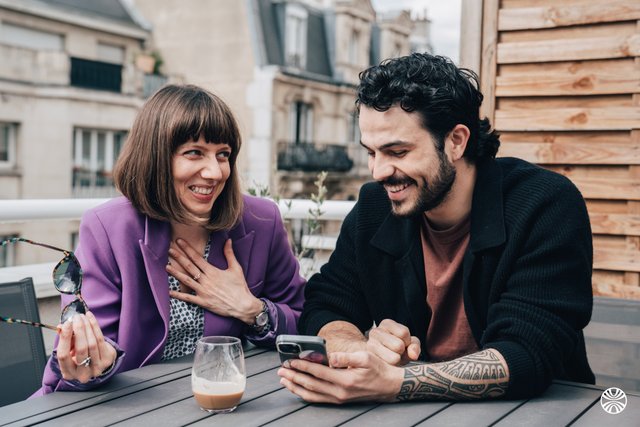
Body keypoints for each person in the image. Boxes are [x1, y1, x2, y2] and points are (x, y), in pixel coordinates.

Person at [278, 53, 595, 403]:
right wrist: (356, 350)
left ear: (456, 141)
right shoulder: (374, 207)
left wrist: (395, 381)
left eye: (397, 151)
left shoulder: (544, 205)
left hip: (541, 412)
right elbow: (326, 306)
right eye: (371, 152)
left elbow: (528, 354)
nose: (378, 171)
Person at [36, 84, 305, 394]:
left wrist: (252, 310)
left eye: (223, 155)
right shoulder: (107, 228)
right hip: (129, 404)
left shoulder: (260, 220)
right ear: (156, 158)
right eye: (194, 153)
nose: (215, 172)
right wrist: (98, 362)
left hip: (224, 399)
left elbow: (304, 319)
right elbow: (85, 355)